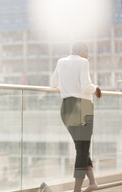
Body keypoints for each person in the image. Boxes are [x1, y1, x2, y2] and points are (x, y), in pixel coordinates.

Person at [51, 42, 101, 192]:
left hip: (66, 107)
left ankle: (92, 182)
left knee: (81, 147)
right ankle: (77, 189)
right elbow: (86, 86)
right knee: (82, 148)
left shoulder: (61, 61)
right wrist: (96, 89)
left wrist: (68, 88)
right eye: (88, 52)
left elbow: (54, 83)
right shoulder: (83, 62)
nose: (88, 56)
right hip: (83, 107)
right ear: (83, 51)